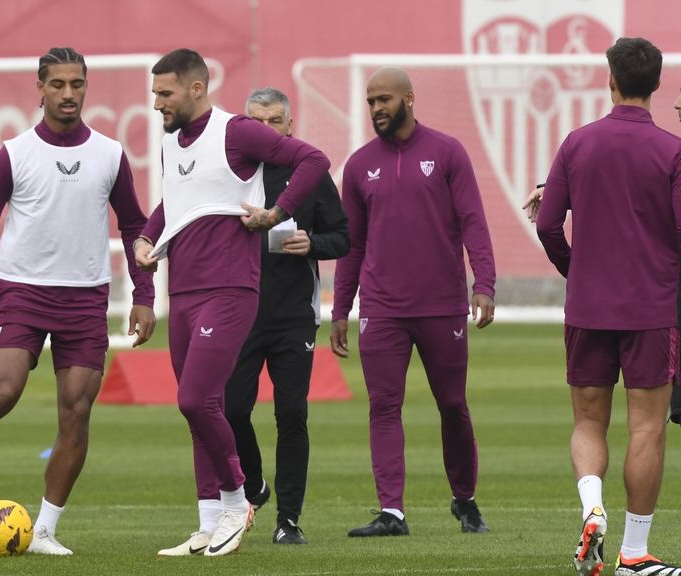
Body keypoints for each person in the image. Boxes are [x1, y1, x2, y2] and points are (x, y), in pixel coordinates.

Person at [0, 47, 156, 557]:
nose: (69, 94)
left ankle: (44, 529)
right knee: (5, 388)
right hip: (22, 290)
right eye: (59, 85)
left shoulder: (110, 155)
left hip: (86, 296)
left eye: (77, 84)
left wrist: (144, 294)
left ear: (86, 88)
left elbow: (135, 226)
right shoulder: (15, 153)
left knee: (77, 410)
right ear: (40, 88)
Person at [133, 49, 330, 557]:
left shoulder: (238, 131)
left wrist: (277, 212)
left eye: (165, 93)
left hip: (230, 288)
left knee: (195, 399)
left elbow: (313, 159)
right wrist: (145, 238)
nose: (157, 103)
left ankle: (240, 498)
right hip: (183, 291)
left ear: (196, 89)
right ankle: (206, 523)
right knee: (202, 411)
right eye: (155, 93)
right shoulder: (171, 142)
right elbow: (172, 204)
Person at [535, 37, 681, 576]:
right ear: (658, 85)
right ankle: (634, 553)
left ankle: (591, 505)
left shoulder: (577, 144)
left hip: (588, 308)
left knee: (588, 420)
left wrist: (579, 272)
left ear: (610, 80)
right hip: (649, 309)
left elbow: (548, 224)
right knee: (646, 428)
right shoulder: (671, 151)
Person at [330, 67, 496, 538]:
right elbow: (351, 245)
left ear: (409, 97)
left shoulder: (447, 152)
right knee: (383, 406)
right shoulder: (359, 165)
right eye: (370, 101)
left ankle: (465, 500)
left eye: (384, 99)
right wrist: (341, 309)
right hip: (381, 309)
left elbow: (474, 222)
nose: (377, 108)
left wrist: (484, 283)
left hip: (442, 305)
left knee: (451, 404)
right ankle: (392, 513)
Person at [223, 87, 349, 546]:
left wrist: (312, 243)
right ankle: (254, 485)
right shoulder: (231, 173)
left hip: (294, 314)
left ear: (290, 126)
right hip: (239, 311)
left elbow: (343, 236)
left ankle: (289, 520)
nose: (265, 130)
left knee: (291, 413)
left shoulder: (309, 174)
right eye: (255, 121)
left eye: (274, 121)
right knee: (232, 409)